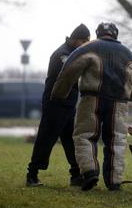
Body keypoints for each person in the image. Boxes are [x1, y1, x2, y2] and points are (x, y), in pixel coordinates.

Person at [51, 22, 132, 191]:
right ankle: (114, 181)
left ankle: (90, 172)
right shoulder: (128, 54)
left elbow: (69, 70)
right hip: (119, 103)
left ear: (98, 33)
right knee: (116, 140)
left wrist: (59, 93)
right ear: (115, 34)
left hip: (91, 99)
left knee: (85, 136)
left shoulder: (88, 48)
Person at [26, 24, 90, 187]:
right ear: (75, 39)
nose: (85, 45)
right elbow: (71, 75)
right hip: (55, 104)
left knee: (70, 141)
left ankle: (76, 175)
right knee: (46, 139)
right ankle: (32, 175)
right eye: (84, 41)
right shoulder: (62, 55)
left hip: (67, 105)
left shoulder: (74, 53)